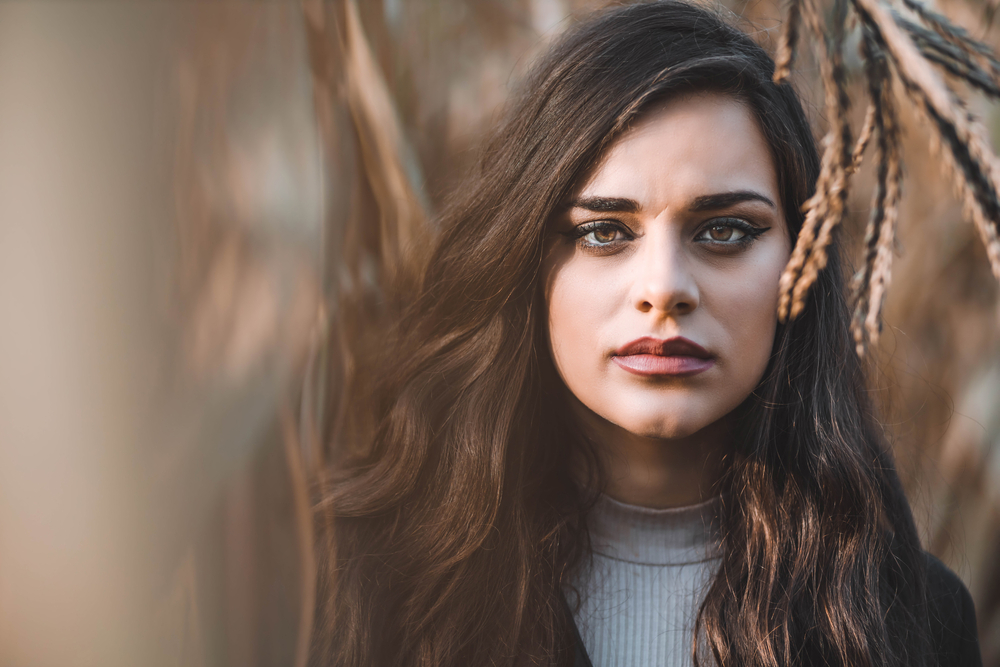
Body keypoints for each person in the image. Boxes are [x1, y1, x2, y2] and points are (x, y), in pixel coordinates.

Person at [309, 2, 983, 666]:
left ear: (801, 261)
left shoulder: (914, 619)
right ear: (524, 261)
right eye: (604, 232)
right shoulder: (370, 589)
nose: (663, 288)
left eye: (725, 230)